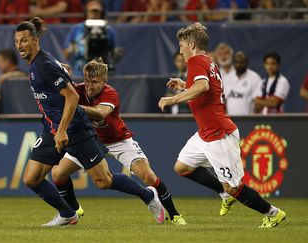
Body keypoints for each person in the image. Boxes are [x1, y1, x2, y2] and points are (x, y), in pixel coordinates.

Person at [15, 17, 164, 227]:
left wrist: (63, 130)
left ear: (35, 42)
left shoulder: (44, 65)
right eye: (17, 41)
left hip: (75, 129)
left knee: (104, 181)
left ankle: (148, 195)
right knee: (31, 179)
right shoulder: (39, 63)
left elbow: (73, 97)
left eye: (24, 40)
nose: (19, 46)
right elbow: (59, 71)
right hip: (52, 129)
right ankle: (68, 214)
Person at [158, 22, 285, 228]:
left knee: (235, 187)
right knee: (182, 167)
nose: (180, 50)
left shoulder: (196, 62)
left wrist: (172, 99)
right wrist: (184, 85)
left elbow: (203, 86)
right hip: (205, 133)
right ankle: (223, 192)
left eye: (182, 45)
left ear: (191, 44)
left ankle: (273, 213)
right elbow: (210, 88)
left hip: (219, 133)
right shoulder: (208, 61)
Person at [51, 58, 187, 225]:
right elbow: (56, 90)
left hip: (118, 139)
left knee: (148, 176)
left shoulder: (110, 93)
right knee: (58, 174)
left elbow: (100, 113)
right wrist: (61, 74)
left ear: (104, 81)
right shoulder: (78, 91)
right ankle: (74, 210)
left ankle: (174, 215)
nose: (89, 85)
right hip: (91, 141)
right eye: (86, 80)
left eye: (94, 82)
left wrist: (74, 105)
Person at [63, 0, 121, 77]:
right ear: (86, 12)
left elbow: (114, 54)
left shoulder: (108, 30)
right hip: (81, 72)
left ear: (102, 13)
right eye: (91, 11)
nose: (94, 14)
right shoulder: (77, 29)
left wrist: (116, 55)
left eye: (97, 11)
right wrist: (72, 48)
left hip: (103, 73)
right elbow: (66, 55)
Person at [224, 51, 263, 115]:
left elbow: (258, 103)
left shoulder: (255, 78)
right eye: (237, 62)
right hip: (230, 119)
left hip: (248, 120)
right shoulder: (227, 78)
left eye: (242, 62)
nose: (239, 65)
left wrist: (254, 118)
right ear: (233, 63)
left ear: (247, 63)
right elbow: (224, 100)